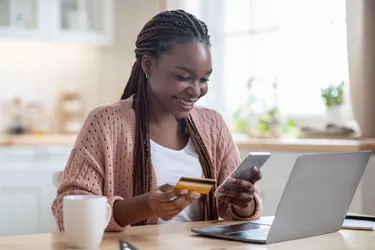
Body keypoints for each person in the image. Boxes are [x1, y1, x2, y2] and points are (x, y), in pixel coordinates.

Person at [51, 9, 263, 231]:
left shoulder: (213, 124)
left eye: (204, 79)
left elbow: (235, 213)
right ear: (148, 65)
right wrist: (143, 206)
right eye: (183, 77)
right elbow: (67, 212)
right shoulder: (106, 122)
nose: (195, 91)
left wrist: (244, 203)